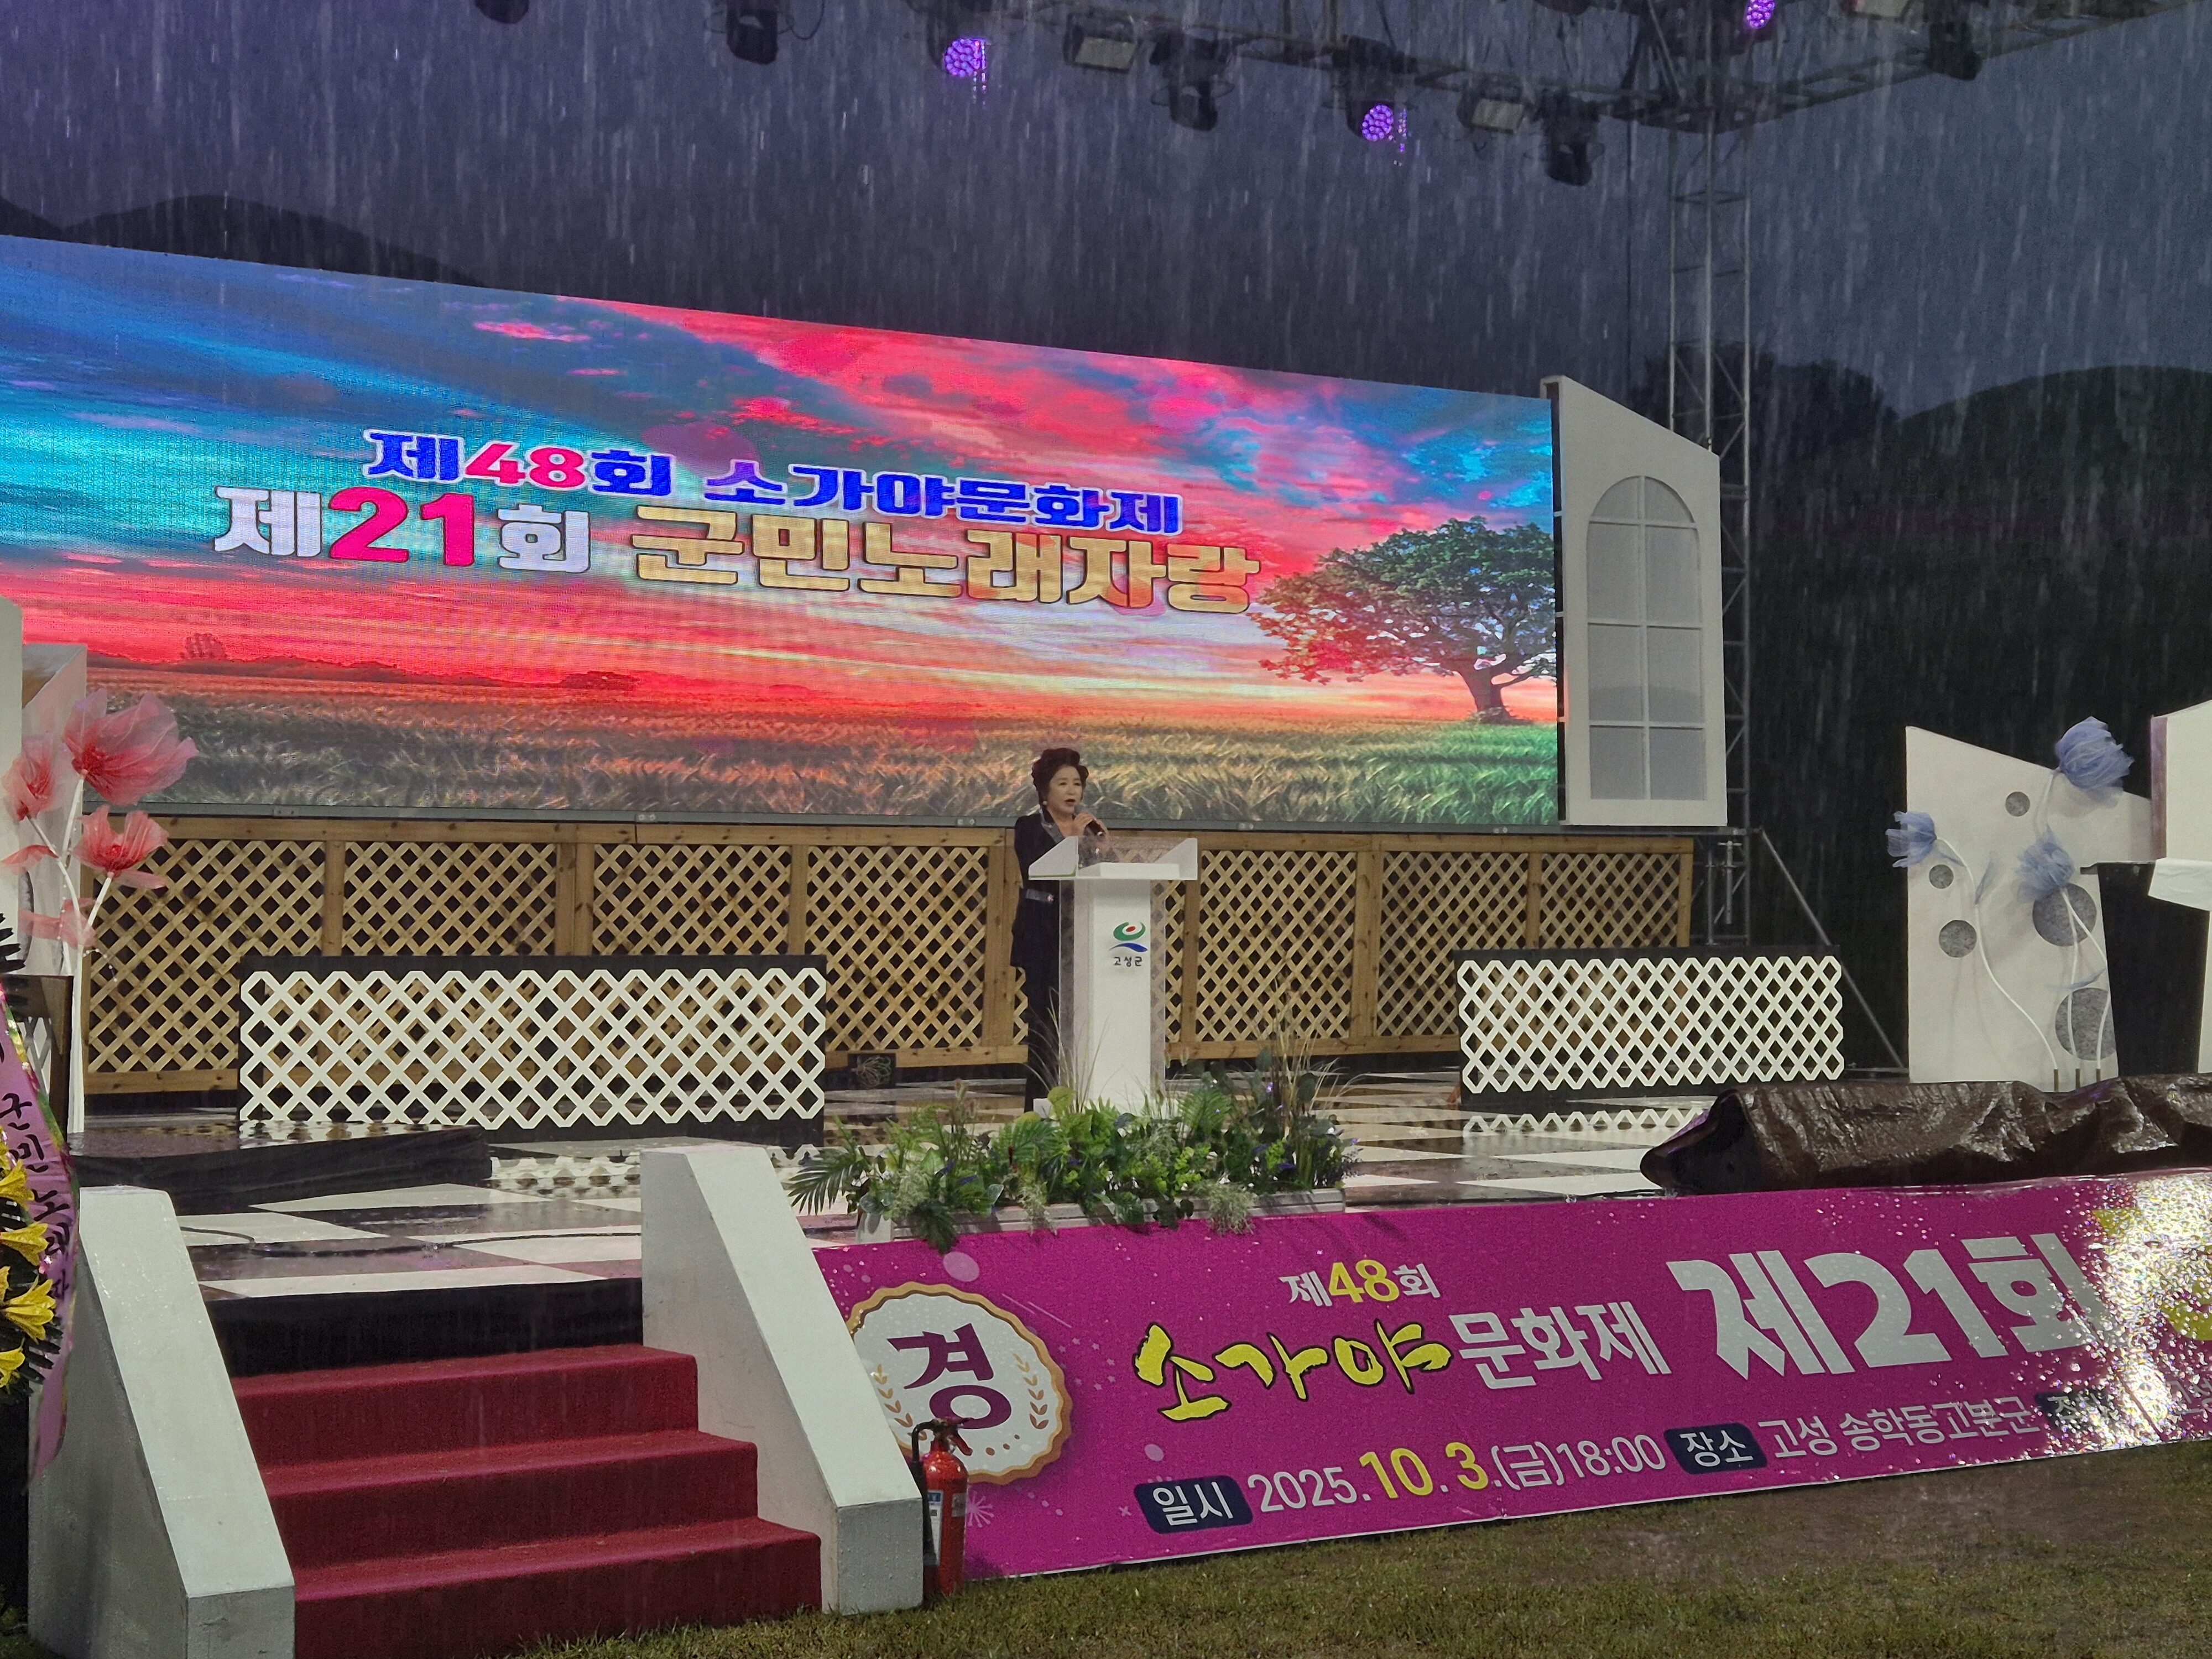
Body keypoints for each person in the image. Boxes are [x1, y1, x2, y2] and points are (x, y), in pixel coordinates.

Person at [1011, 747, 1104, 1106]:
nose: (1071, 791)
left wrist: (1102, 847)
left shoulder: (1089, 828)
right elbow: (1039, 872)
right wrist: (1073, 842)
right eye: (1062, 783)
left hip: (1084, 934)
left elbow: (1102, 871)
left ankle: (1081, 1100)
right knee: (1046, 1024)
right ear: (1045, 791)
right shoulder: (1029, 827)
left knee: (1082, 1022)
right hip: (1043, 937)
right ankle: (1040, 1105)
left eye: (1076, 784)